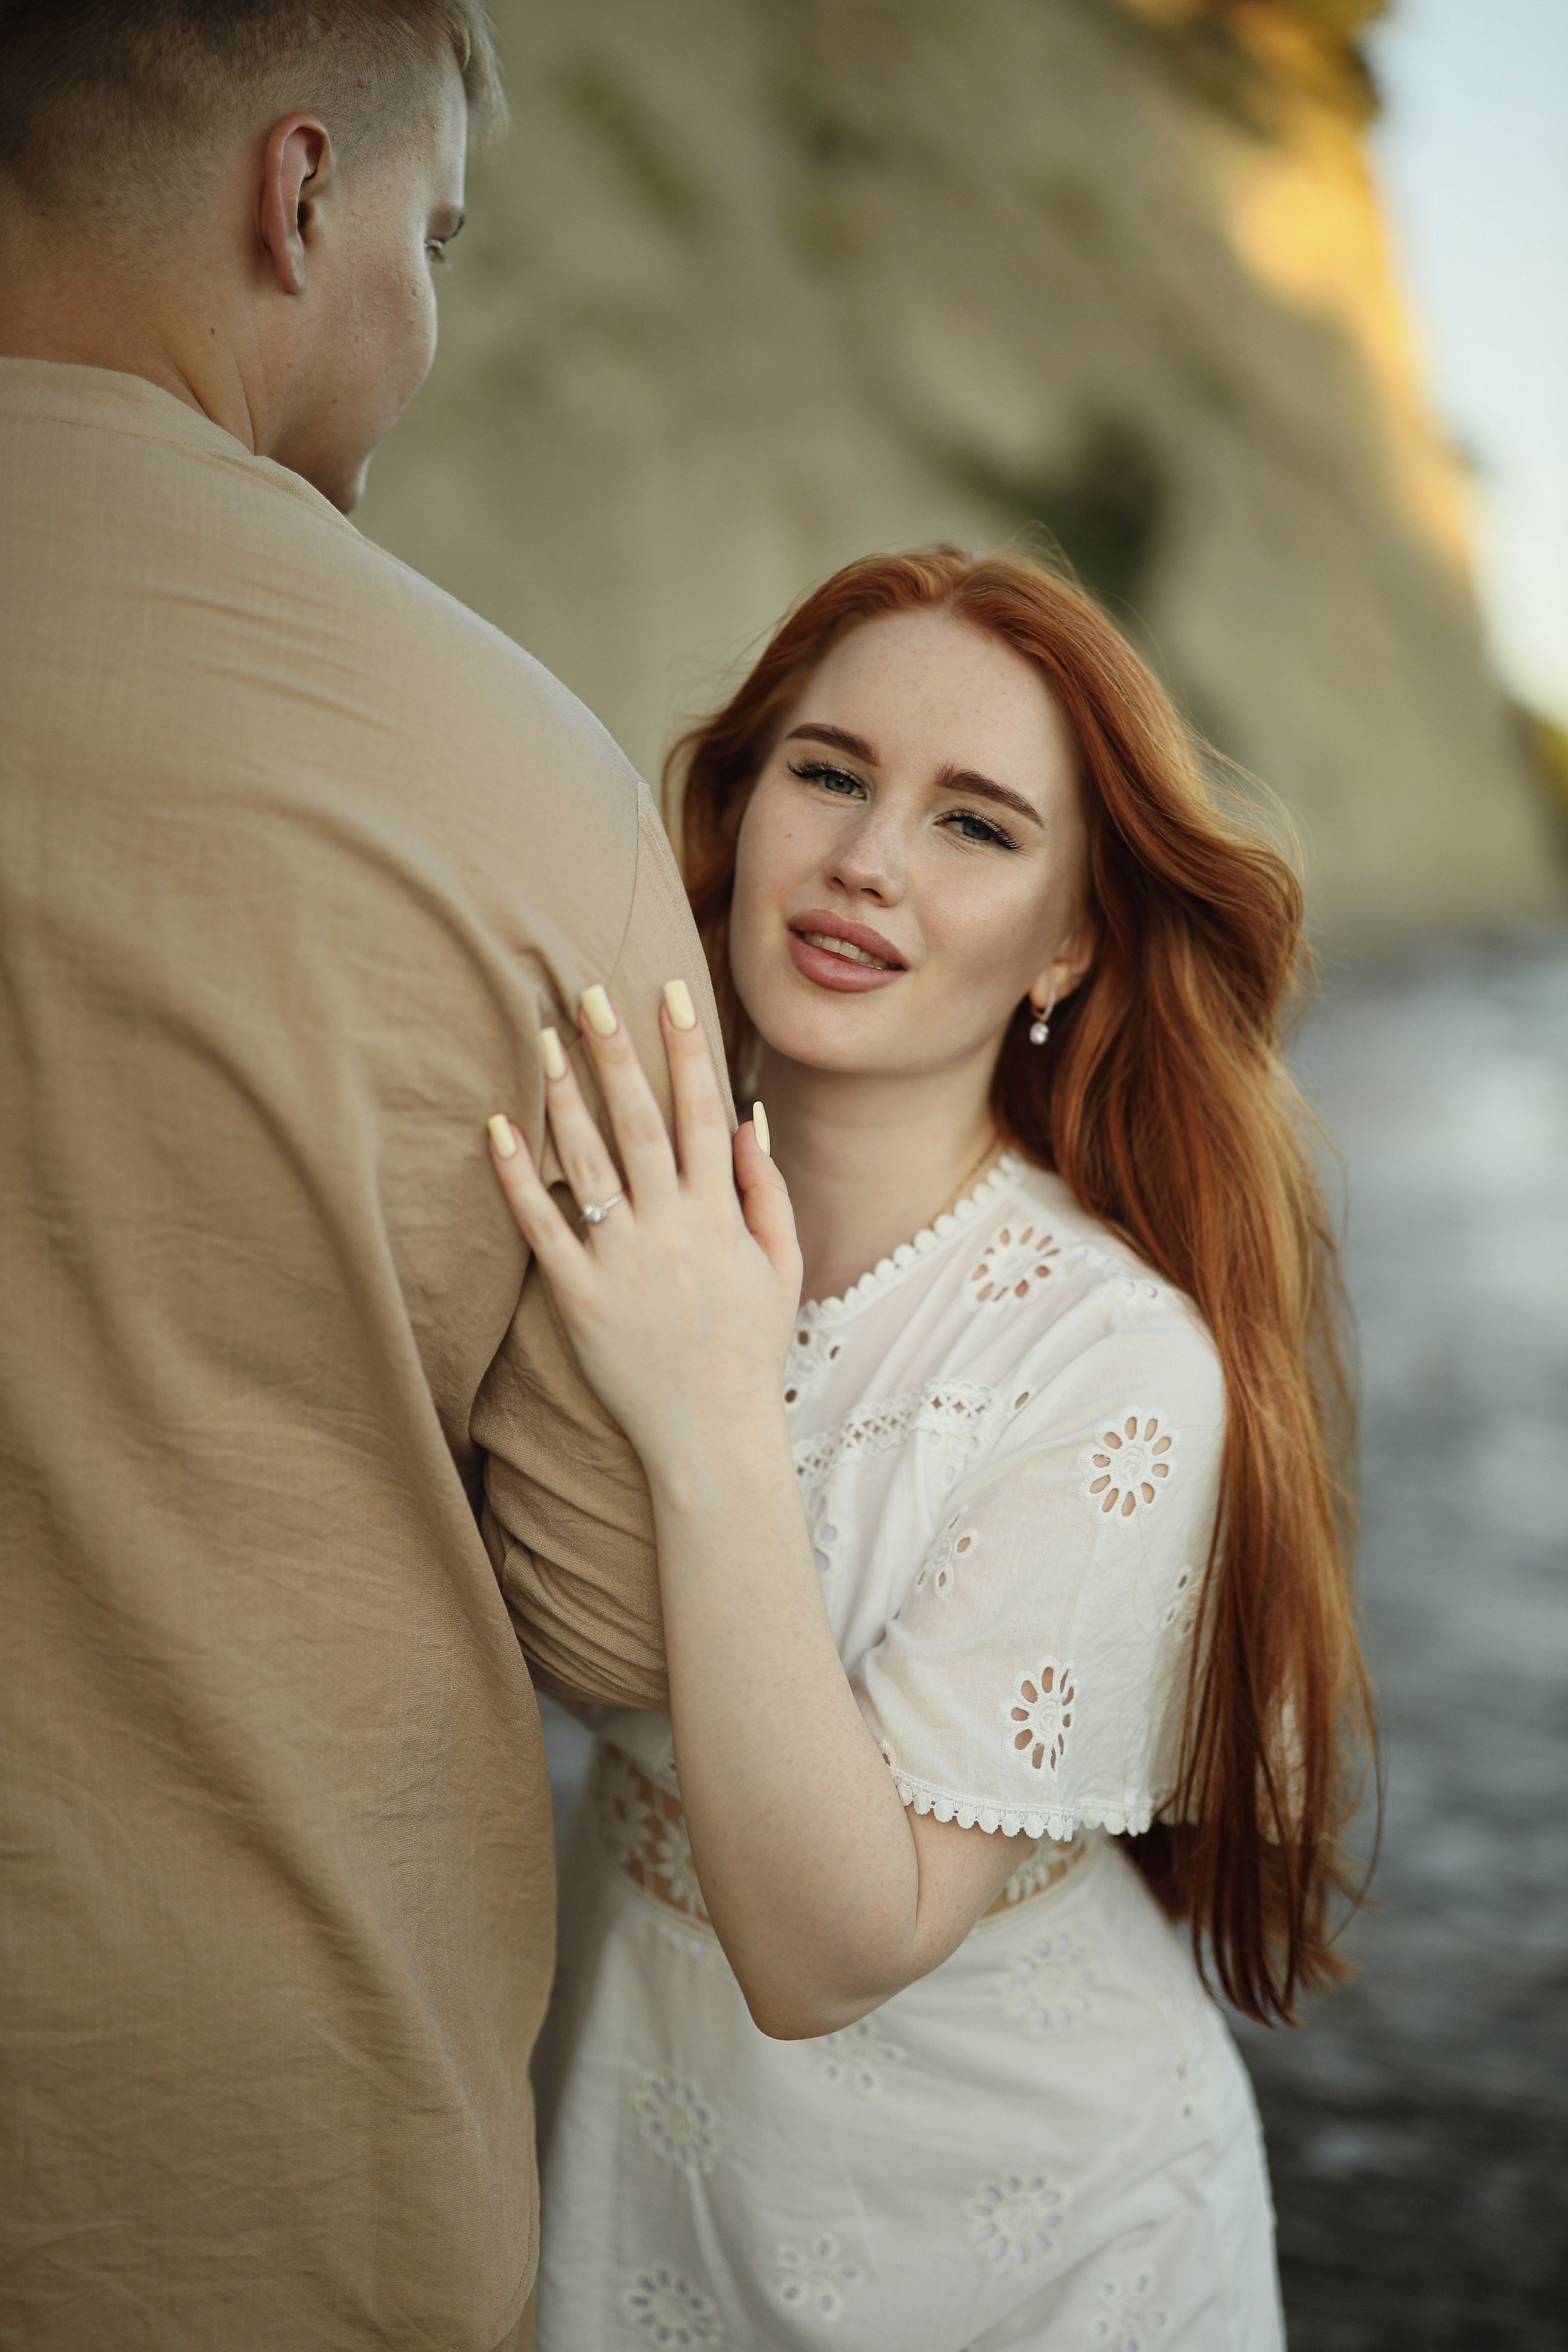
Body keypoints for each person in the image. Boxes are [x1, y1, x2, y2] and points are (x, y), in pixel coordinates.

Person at [0, 6, 725, 2346]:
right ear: (295, 198)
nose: (416, 308)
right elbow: (623, 1622)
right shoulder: (509, 766)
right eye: (428, 234)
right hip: (251, 2171)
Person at [487, 548, 1373, 2350]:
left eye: (974, 825)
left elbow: (828, 1954)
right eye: (829, 774)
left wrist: (712, 1402)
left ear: (1071, 939)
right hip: (637, 2125)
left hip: (1034, 2247)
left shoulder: (1113, 1367)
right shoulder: (609, 1188)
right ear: (737, 815)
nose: (869, 860)